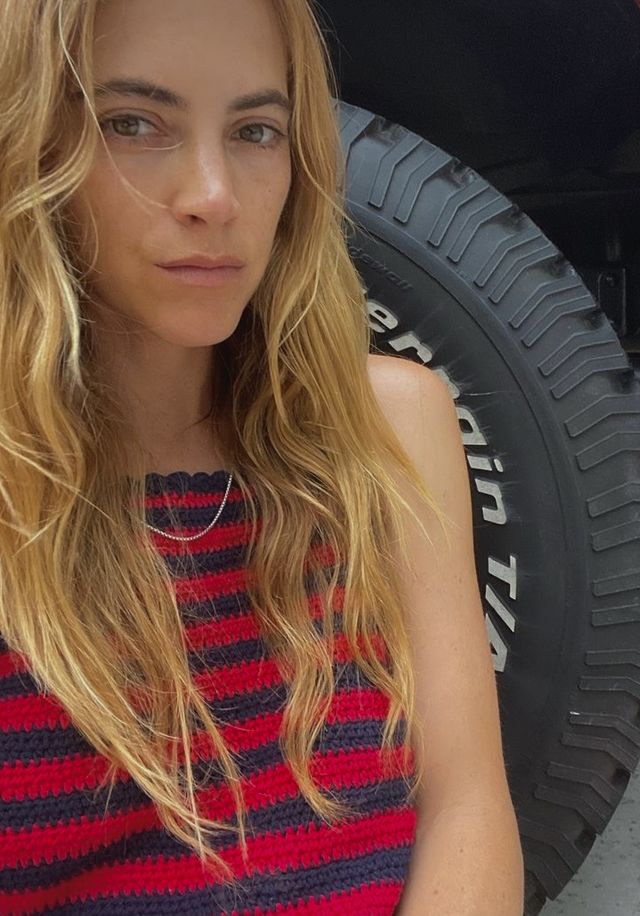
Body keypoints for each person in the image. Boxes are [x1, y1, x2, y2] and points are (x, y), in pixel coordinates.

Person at [0, 0, 524, 913]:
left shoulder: (390, 428)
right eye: (134, 123)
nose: (214, 194)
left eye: (254, 130)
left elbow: (465, 805)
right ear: (27, 146)